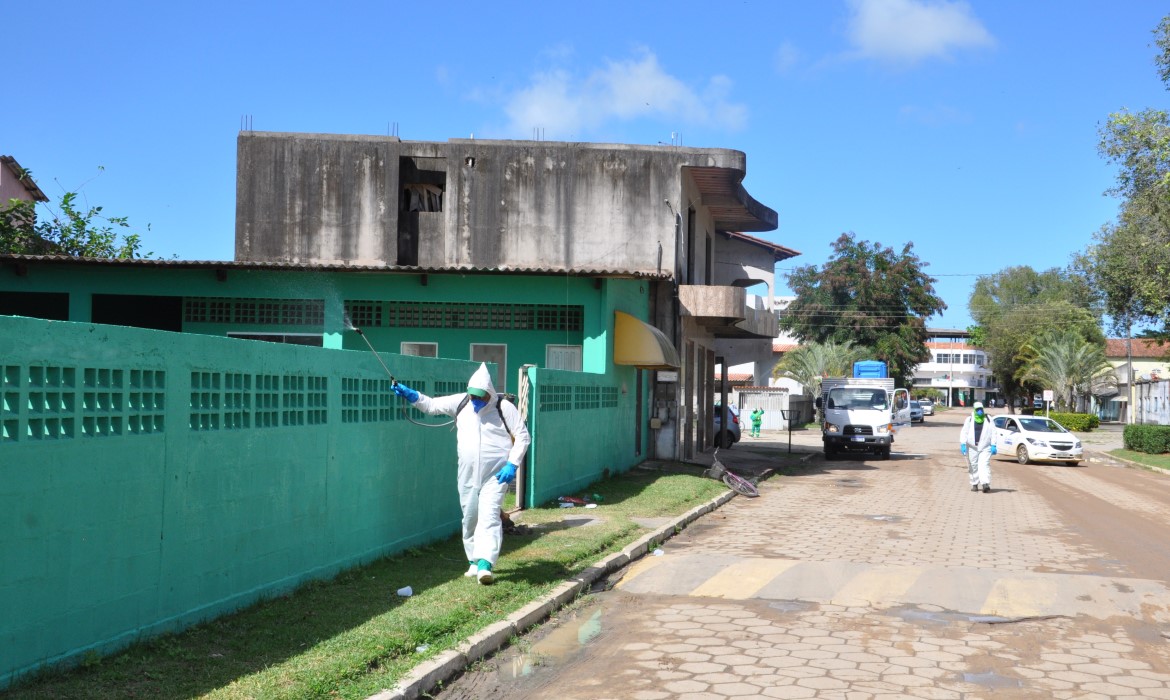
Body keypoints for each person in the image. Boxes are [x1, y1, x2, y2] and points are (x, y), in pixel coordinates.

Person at [392, 363, 531, 584]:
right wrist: (411, 395)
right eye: (472, 396)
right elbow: (431, 406)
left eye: (480, 397)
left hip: (496, 474)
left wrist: (512, 464)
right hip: (467, 473)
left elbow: (523, 436)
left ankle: (486, 563)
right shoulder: (462, 402)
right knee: (470, 517)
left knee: (489, 515)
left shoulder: (504, 408)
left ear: (489, 394)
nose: (475, 401)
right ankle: (473, 562)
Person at [959, 401, 997, 493]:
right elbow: (964, 432)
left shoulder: (988, 419)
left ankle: (985, 484)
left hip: (985, 446)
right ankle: (974, 484)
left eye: (981, 409)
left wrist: (993, 445)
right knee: (973, 465)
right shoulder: (969, 419)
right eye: (977, 409)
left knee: (984, 464)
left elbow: (993, 432)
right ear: (974, 410)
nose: (980, 411)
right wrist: (963, 443)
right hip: (972, 447)